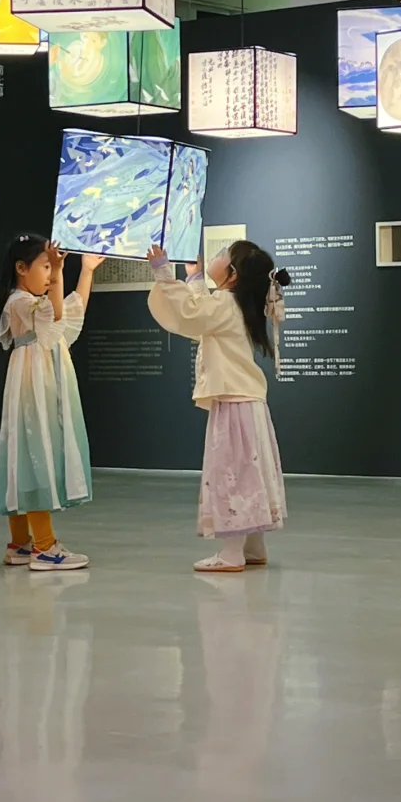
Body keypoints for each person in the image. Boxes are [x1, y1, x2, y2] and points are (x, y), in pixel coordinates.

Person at [145, 239, 290, 573]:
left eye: (224, 252)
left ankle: (232, 553)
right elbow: (203, 314)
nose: (217, 254)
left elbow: (192, 314)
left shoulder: (226, 303)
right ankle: (253, 546)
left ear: (233, 273)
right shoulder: (237, 305)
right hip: (247, 402)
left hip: (234, 403)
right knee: (249, 473)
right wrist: (194, 278)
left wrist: (163, 273)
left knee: (232, 475)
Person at [0, 233, 105, 571]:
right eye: (46, 266)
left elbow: (69, 312)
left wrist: (86, 271)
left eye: (53, 267)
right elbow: (55, 314)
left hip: (43, 382)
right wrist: (62, 272)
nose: (51, 274)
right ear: (21, 269)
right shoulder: (19, 301)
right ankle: (44, 546)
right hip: (33, 387)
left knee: (29, 454)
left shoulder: (31, 302)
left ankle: (21, 544)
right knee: (35, 456)